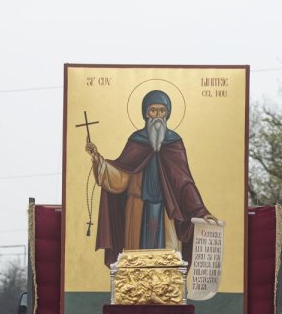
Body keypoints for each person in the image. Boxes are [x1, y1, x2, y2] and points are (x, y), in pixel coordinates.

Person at [85, 89, 216, 267]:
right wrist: (98, 160)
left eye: (162, 111)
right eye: (153, 110)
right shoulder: (136, 140)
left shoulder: (174, 142)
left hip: (166, 210)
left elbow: (184, 182)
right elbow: (122, 175)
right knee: (135, 260)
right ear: (146, 113)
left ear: (167, 114)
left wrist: (201, 211)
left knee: (168, 259)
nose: (157, 115)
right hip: (137, 206)